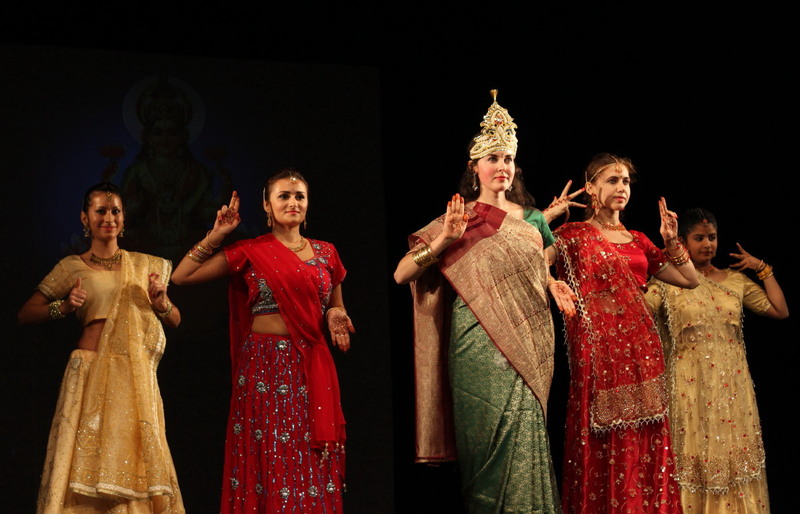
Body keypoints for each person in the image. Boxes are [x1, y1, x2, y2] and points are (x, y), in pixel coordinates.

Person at [394, 90, 579, 513]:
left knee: (526, 437)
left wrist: (552, 283)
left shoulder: (531, 220)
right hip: (475, 346)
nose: (502, 166)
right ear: (473, 166)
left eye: (508, 158)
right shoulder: (460, 218)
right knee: (484, 450)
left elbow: (537, 268)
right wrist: (445, 239)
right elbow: (402, 274)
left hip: (529, 340)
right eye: (493, 158)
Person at [171, 168, 353, 513]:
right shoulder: (251, 250)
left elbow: (336, 304)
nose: (292, 202)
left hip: (309, 368)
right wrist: (217, 234)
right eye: (283, 196)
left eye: (299, 196)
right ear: (267, 205)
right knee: (267, 455)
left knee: (307, 457)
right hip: (263, 368)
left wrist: (334, 314)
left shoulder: (327, 253)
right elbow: (182, 276)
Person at [18, 182, 184, 513]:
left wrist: (160, 302)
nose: (109, 218)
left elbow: (176, 319)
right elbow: (26, 313)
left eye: (115, 211)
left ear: (123, 219)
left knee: (131, 454)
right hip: (88, 370)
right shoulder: (71, 266)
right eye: (101, 211)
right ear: (85, 218)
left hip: (132, 376)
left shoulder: (143, 266)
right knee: (85, 455)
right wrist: (64, 307)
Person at [549, 153, 700, 513]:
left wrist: (671, 241)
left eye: (626, 182)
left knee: (645, 438)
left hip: (643, 354)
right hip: (597, 353)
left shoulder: (638, 239)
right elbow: (534, 259)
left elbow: (690, 279)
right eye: (612, 180)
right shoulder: (571, 235)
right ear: (591, 188)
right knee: (603, 436)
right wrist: (546, 220)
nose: (622, 188)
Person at [646, 208, 787, 512]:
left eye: (712, 237)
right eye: (699, 238)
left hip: (733, 389)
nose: (708, 244)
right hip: (689, 388)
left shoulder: (735, 281)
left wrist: (762, 268)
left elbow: (779, 310)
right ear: (683, 241)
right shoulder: (667, 282)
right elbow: (639, 313)